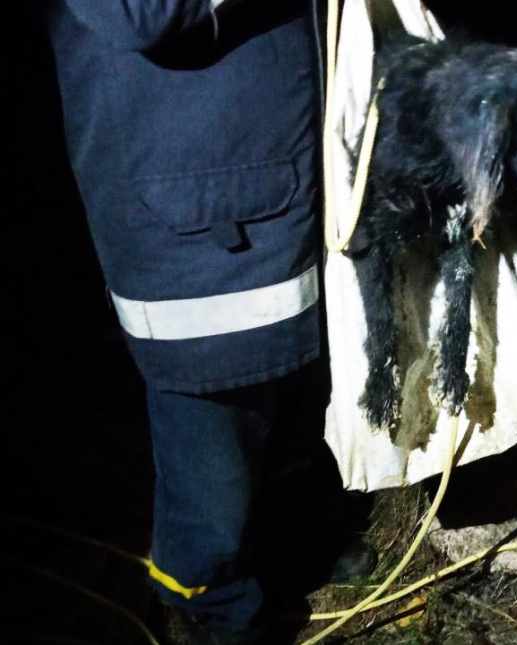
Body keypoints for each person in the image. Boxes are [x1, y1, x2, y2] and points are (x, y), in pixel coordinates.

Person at [42, 1, 372, 643]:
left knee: (294, 398)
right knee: (214, 439)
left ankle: (291, 549)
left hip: (282, 171)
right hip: (189, 207)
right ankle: (214, 605)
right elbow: (134, 15)